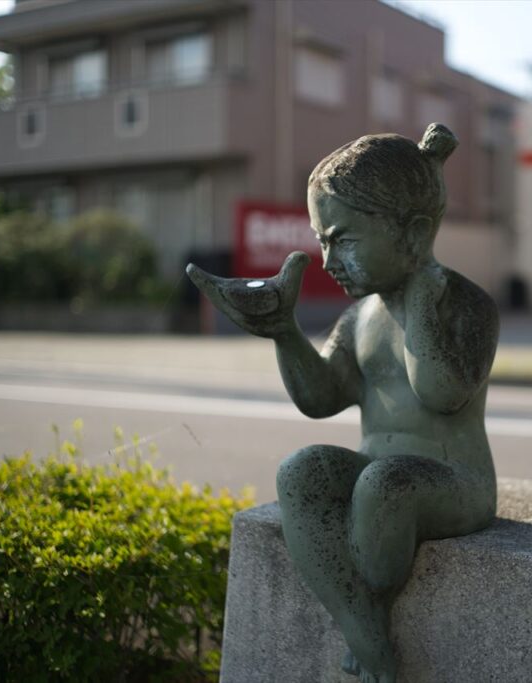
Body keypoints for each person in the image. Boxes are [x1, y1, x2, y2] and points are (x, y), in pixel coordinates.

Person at [188, 123, 498, 683]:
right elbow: (322, 398)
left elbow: (443, 393)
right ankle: (361, 622)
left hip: (455, 484)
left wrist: (423, 302)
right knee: (303, 470)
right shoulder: (359, 318)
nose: (328, 257)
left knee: (383, 486)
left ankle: (365, 616)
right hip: (377, 478)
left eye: (344, 240)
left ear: (414, 232)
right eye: (323, 239)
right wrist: (283, 331)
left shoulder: (467, 306)